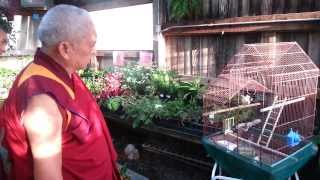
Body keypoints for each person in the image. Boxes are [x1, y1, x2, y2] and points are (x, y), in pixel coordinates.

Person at [0, 4, 120, 180]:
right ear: (65, 49)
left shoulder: (65, 73)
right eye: (91, 44)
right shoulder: (42, 99)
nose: (94, 50)